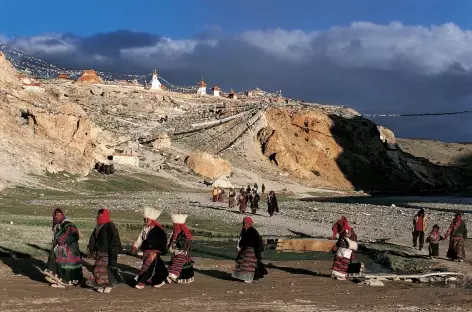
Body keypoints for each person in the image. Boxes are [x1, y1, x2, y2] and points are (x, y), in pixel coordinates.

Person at [43, 208, 83, 288]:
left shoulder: (67, 224)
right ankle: (58, 280)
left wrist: (61, 240)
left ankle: (63, 281)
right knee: (58, 263)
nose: (58, 216)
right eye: (56, 215)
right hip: (62, 248)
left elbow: (73, 234)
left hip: (68, 249)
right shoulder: (58, 225)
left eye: (60, 215)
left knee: (65, 265)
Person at [86, 208, 123, 293]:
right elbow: (93, 239)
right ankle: (101, 284)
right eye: (98, 214)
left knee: (105, 270)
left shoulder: (110, 225)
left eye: (101, 214)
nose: (99, 216)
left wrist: (114, 251)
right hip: (100, 251)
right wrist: (91, 249)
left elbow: (115, 239)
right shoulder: (98, 226)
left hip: (108, 251)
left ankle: (108, 285)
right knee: (98, 270)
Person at [132, 206, 168, 289]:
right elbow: (140, 238)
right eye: (144, 219)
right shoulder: (144, 229)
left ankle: (141, 282)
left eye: (147, 219)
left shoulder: (159, 230)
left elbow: (162, 242)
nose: (145, 221)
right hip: (145, 251)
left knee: (146, 266)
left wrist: (157, 251)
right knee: (153, 267)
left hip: (153, 253)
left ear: (152, 220)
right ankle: (158, 280)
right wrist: (135, 246)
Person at [232, 217, 268, 283]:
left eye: (244, 223)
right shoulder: (245, 230)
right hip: (246, 249)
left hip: (253, 250)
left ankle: (249, 278)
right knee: (243, 263)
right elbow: (242, 240)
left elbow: (258, 242)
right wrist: (240, 246)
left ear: (248, 224)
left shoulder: (253, 231)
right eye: (243, 223)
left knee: (249, 264)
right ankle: (250, 277)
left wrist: (258, 252)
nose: (243, 225)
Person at [167, 214, 195, 284]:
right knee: (175, 264)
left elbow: (184, 245)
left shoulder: (183, 234)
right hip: (177, 253)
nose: (174, 226)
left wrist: (176, 249)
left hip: (180, 253)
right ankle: (172, 277)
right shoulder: (175, 232)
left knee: (177, 265)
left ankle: (173, 277)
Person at [331, 216, 358, 280]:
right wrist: (337, 246)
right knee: (340, 261)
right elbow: (341, 239)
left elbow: (351, 241)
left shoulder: (348, 231)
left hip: (347, 249)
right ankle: (339, 274)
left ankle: (343, 275)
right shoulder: (345, 231)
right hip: (344, 249)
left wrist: (338, 246)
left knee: (344, 262)